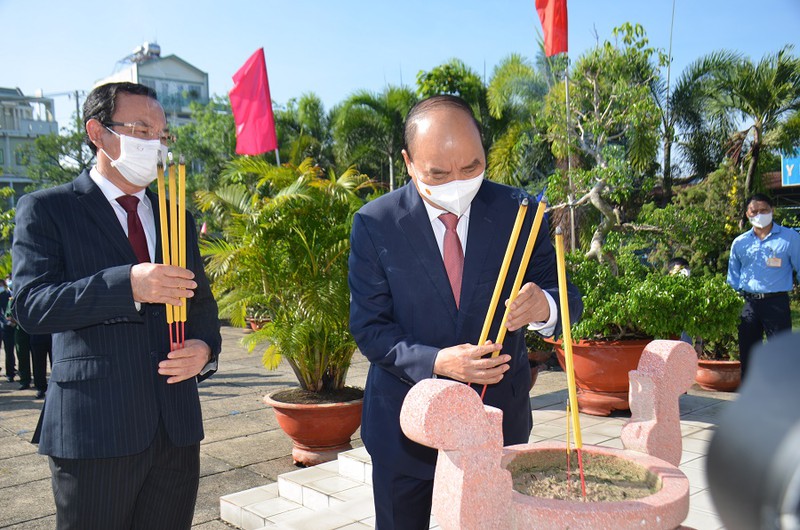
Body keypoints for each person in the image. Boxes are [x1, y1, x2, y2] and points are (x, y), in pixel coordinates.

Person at [348, 95, 583, 529]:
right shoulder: (375, 223)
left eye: (471, 168)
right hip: (406, 423)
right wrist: (438, 362)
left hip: (496, 422)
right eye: (437, 173)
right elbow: (369, 327)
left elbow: (566, 295)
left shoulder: (522, 212)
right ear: (408, 161)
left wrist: (544, 304)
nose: (456, 183)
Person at [11, 82, 221, 530]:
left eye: (162, 134)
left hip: (175, 427)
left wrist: (204, 348)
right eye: (141, 128)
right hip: (95, 429)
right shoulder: (48, 209)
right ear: (98, 132)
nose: (154, 143)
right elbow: (31, 305)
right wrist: (126, 285)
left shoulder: (175, 216)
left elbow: (201, 303)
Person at [727, 193, 800, 378]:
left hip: (776, 303)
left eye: (764, 210)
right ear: (747, 214)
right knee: (748, 355)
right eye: (755, 211)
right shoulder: (740, 243)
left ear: (772, 211)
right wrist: (733, 304)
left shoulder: (790, 238)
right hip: (747, 304)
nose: (759, 214)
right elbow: (733, 277)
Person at [0, 279, 14, 382]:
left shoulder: (9, 294)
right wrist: (6, 322)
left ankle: (11, 372)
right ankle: (9, 373)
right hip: (4, 326)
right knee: (8, 351)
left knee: (10, 351)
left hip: (12, 326)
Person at [30, 333, 52, 399]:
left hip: (54, 333)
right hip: (37, 334)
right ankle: (40, 388)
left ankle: (57, 387)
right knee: (38, 364)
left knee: (55, 364)